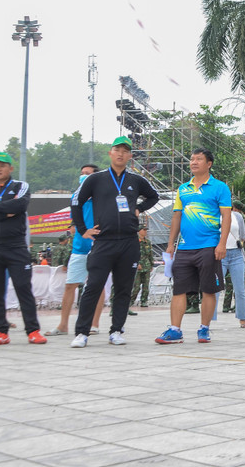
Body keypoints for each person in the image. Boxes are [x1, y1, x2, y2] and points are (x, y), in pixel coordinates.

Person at [70, 137, 159, 348]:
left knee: (123, 289)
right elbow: (76, 202)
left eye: (125, 151)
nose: (120, 154)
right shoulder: (96, 179)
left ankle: (117, 330)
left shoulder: (135, 180)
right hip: (103, 241)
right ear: (110, 153)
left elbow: (153, 196)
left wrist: (139, 208)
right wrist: (83, 229)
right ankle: (82, 332)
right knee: (93, 287)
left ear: (130, 156)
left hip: (129, 241)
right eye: (117, 150)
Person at [155, 149, 231, 344]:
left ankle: (204, 329)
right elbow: (176, 216)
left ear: (209, 164)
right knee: (179, 289)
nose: (194, 162)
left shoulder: (220, 187)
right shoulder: (183, 189)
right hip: (185, 248)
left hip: (209, 246)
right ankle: (175, 330)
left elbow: (226, 216)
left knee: (208, 289)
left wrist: (222, 244)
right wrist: (171, 244)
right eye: (192, 159)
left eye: (199, 159)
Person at [0, 152, 46, 346]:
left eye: (2, 165)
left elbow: (20, 205)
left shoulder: (21, 186)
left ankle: (33, 330)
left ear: (10, 168)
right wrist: (6, 213)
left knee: (23, 289)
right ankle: (0, 332)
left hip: (16, 246)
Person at [45, 166, 106, 336]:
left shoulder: (102, 196)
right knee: (70, 285)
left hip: (98, 246)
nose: (84, 176)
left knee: (97, 285)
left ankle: (94, 324)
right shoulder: (76, 196)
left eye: (88, 174)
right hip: (79, 248)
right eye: (82, 173)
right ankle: (63, 325)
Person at [221, 204, 245, 327]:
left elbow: (243, 236)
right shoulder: (215, 216)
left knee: (239, 288)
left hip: (236, 253)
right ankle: (208, 320)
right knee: (213, 288)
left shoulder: (237, 216)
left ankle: (242, 318)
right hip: (220, 254)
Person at [128, 226, 154, 314]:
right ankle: (131, 301)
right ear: (139, 231)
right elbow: (132, 253)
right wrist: (136, 262)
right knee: (136, 286)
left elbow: (150, 254)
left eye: (146, 230)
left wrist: (151, 264)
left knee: (146, 286)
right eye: (144, 230)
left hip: (146, 265)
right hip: (138, 266)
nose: (145, 232)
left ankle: (144, 301)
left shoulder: (148, 242)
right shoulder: (135, 241)